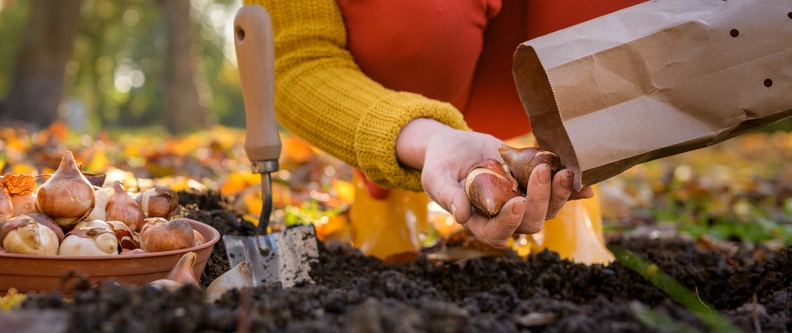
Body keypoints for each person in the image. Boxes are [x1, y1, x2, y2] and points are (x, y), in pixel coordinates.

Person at [243, 0, 643, 260]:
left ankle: (570, 183)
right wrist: (421, 137)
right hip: (409, 84)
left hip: (521, 72)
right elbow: (297, 60)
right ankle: (388, 203)